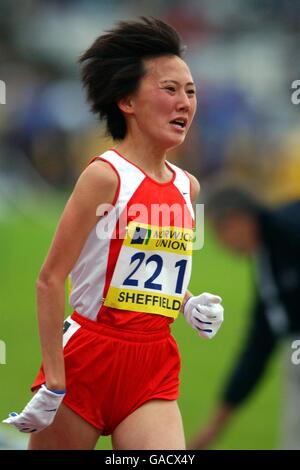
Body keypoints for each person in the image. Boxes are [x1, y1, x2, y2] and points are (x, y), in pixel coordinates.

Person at [2, 17, 224, 450]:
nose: (184, 103)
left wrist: (187, 302)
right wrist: (54, 381)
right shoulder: (105, 177)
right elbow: (50, 279)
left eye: (191, 91)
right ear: (126, 100)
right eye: (170, 89)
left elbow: (142, 270)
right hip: (86, 363)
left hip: (153, 365)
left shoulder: (188, 187)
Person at [189, 185, 300, 450]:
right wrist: (216, 425)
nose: (219, 244)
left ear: (238, 220)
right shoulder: (268, 255)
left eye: (218, 231)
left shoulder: (291, 230)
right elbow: (260, 343)